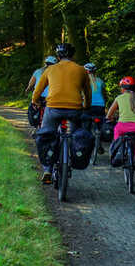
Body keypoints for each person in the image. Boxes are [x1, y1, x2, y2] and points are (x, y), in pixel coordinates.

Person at [32, 43, 91, 183]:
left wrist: (35, 101)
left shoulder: (50, 69)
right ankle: (73, 154)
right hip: (74, 109)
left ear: (58, 56)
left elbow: (38, 90)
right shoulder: (81, 70)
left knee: (47, 134)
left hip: (53, 108)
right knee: (76, 136)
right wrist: (86, 105)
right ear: (72, 55)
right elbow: (87, 92)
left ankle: (47, 170)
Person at [106, 76, 135, 180]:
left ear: (123, 88)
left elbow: (108, 115)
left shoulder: (119, 98)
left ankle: (118, 153)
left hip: (121, 127)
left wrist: (111, 118)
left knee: (117, 141)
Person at [82, 63, 107, 150]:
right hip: (100, 107)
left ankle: (86, 144)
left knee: (85, 126)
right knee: (99, 126)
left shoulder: (83, 82)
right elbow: (104, 95)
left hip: (88, 107)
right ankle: (99, 143)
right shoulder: (100, 81)